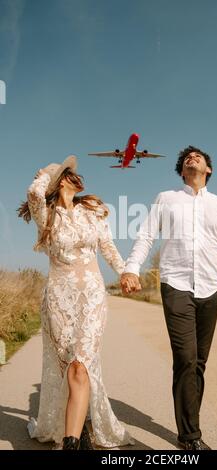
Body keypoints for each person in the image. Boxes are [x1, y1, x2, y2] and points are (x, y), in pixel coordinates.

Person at [120, 146, 217, 450]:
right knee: (186, 358)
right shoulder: (166, 199)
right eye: (187, 158)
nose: (192, 159)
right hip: (176, 284)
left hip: (210, 287)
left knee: (199, 363)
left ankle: (188, 424)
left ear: (208, 170)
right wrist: (131, 269)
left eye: (199, 157)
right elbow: (146, 235)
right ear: (183, 171)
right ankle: (191, 436)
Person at [18, 155, 134, 450]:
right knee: (70, 368)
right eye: (66, 173)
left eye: (69, 172)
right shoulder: (45, 214)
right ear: (58, 181)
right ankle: (78, 431)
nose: (73, 175)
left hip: (92, 294)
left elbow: (107, 245)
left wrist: (124, 272)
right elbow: (34, 192)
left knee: (81, 364)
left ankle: (70, 443)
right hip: (59, 296)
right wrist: (47, 171)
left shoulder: (92, 209)